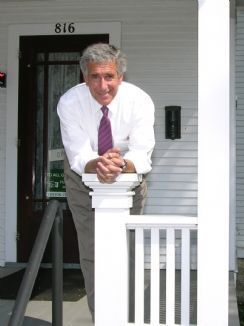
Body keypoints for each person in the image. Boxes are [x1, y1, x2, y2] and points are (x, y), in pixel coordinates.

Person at [57, 43, 155, 318]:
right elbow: (78, 154)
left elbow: (142, 152)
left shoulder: (140, 101)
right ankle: (101, 318)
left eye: (109, 76)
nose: (102, 85)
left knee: (127, 251)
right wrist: (98, 164)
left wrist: (120, 164)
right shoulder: (69, 102)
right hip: (82, 176)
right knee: (92, 252)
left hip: (129, 174)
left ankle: (129, 317)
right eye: (94, 77)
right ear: (84, 77)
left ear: (120, 77)